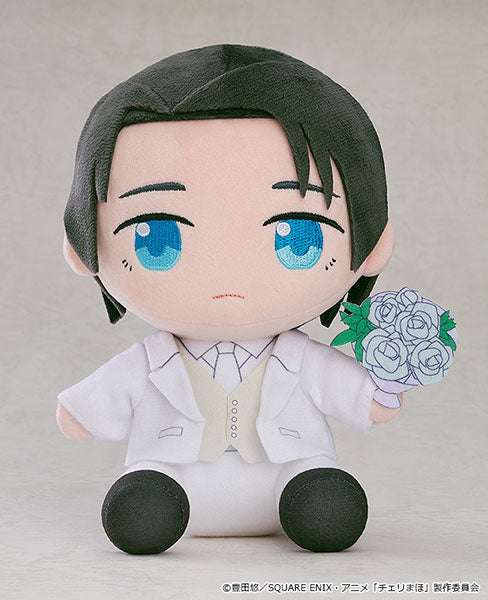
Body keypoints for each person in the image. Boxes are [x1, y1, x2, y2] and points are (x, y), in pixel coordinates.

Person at [57, 44, 400, 555]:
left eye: (297, 238)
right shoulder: (150, 361)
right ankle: (149, 507)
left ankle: (315, 503)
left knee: (325, 499)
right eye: (158, 239)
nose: (227, 270)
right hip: (172, 475)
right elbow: (87, 409)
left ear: (372, 246)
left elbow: (365, 399)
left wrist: (389, 382)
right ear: (83, 246)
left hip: (290, 472)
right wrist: (81, 412)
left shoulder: (302, 359)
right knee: (144, 500)